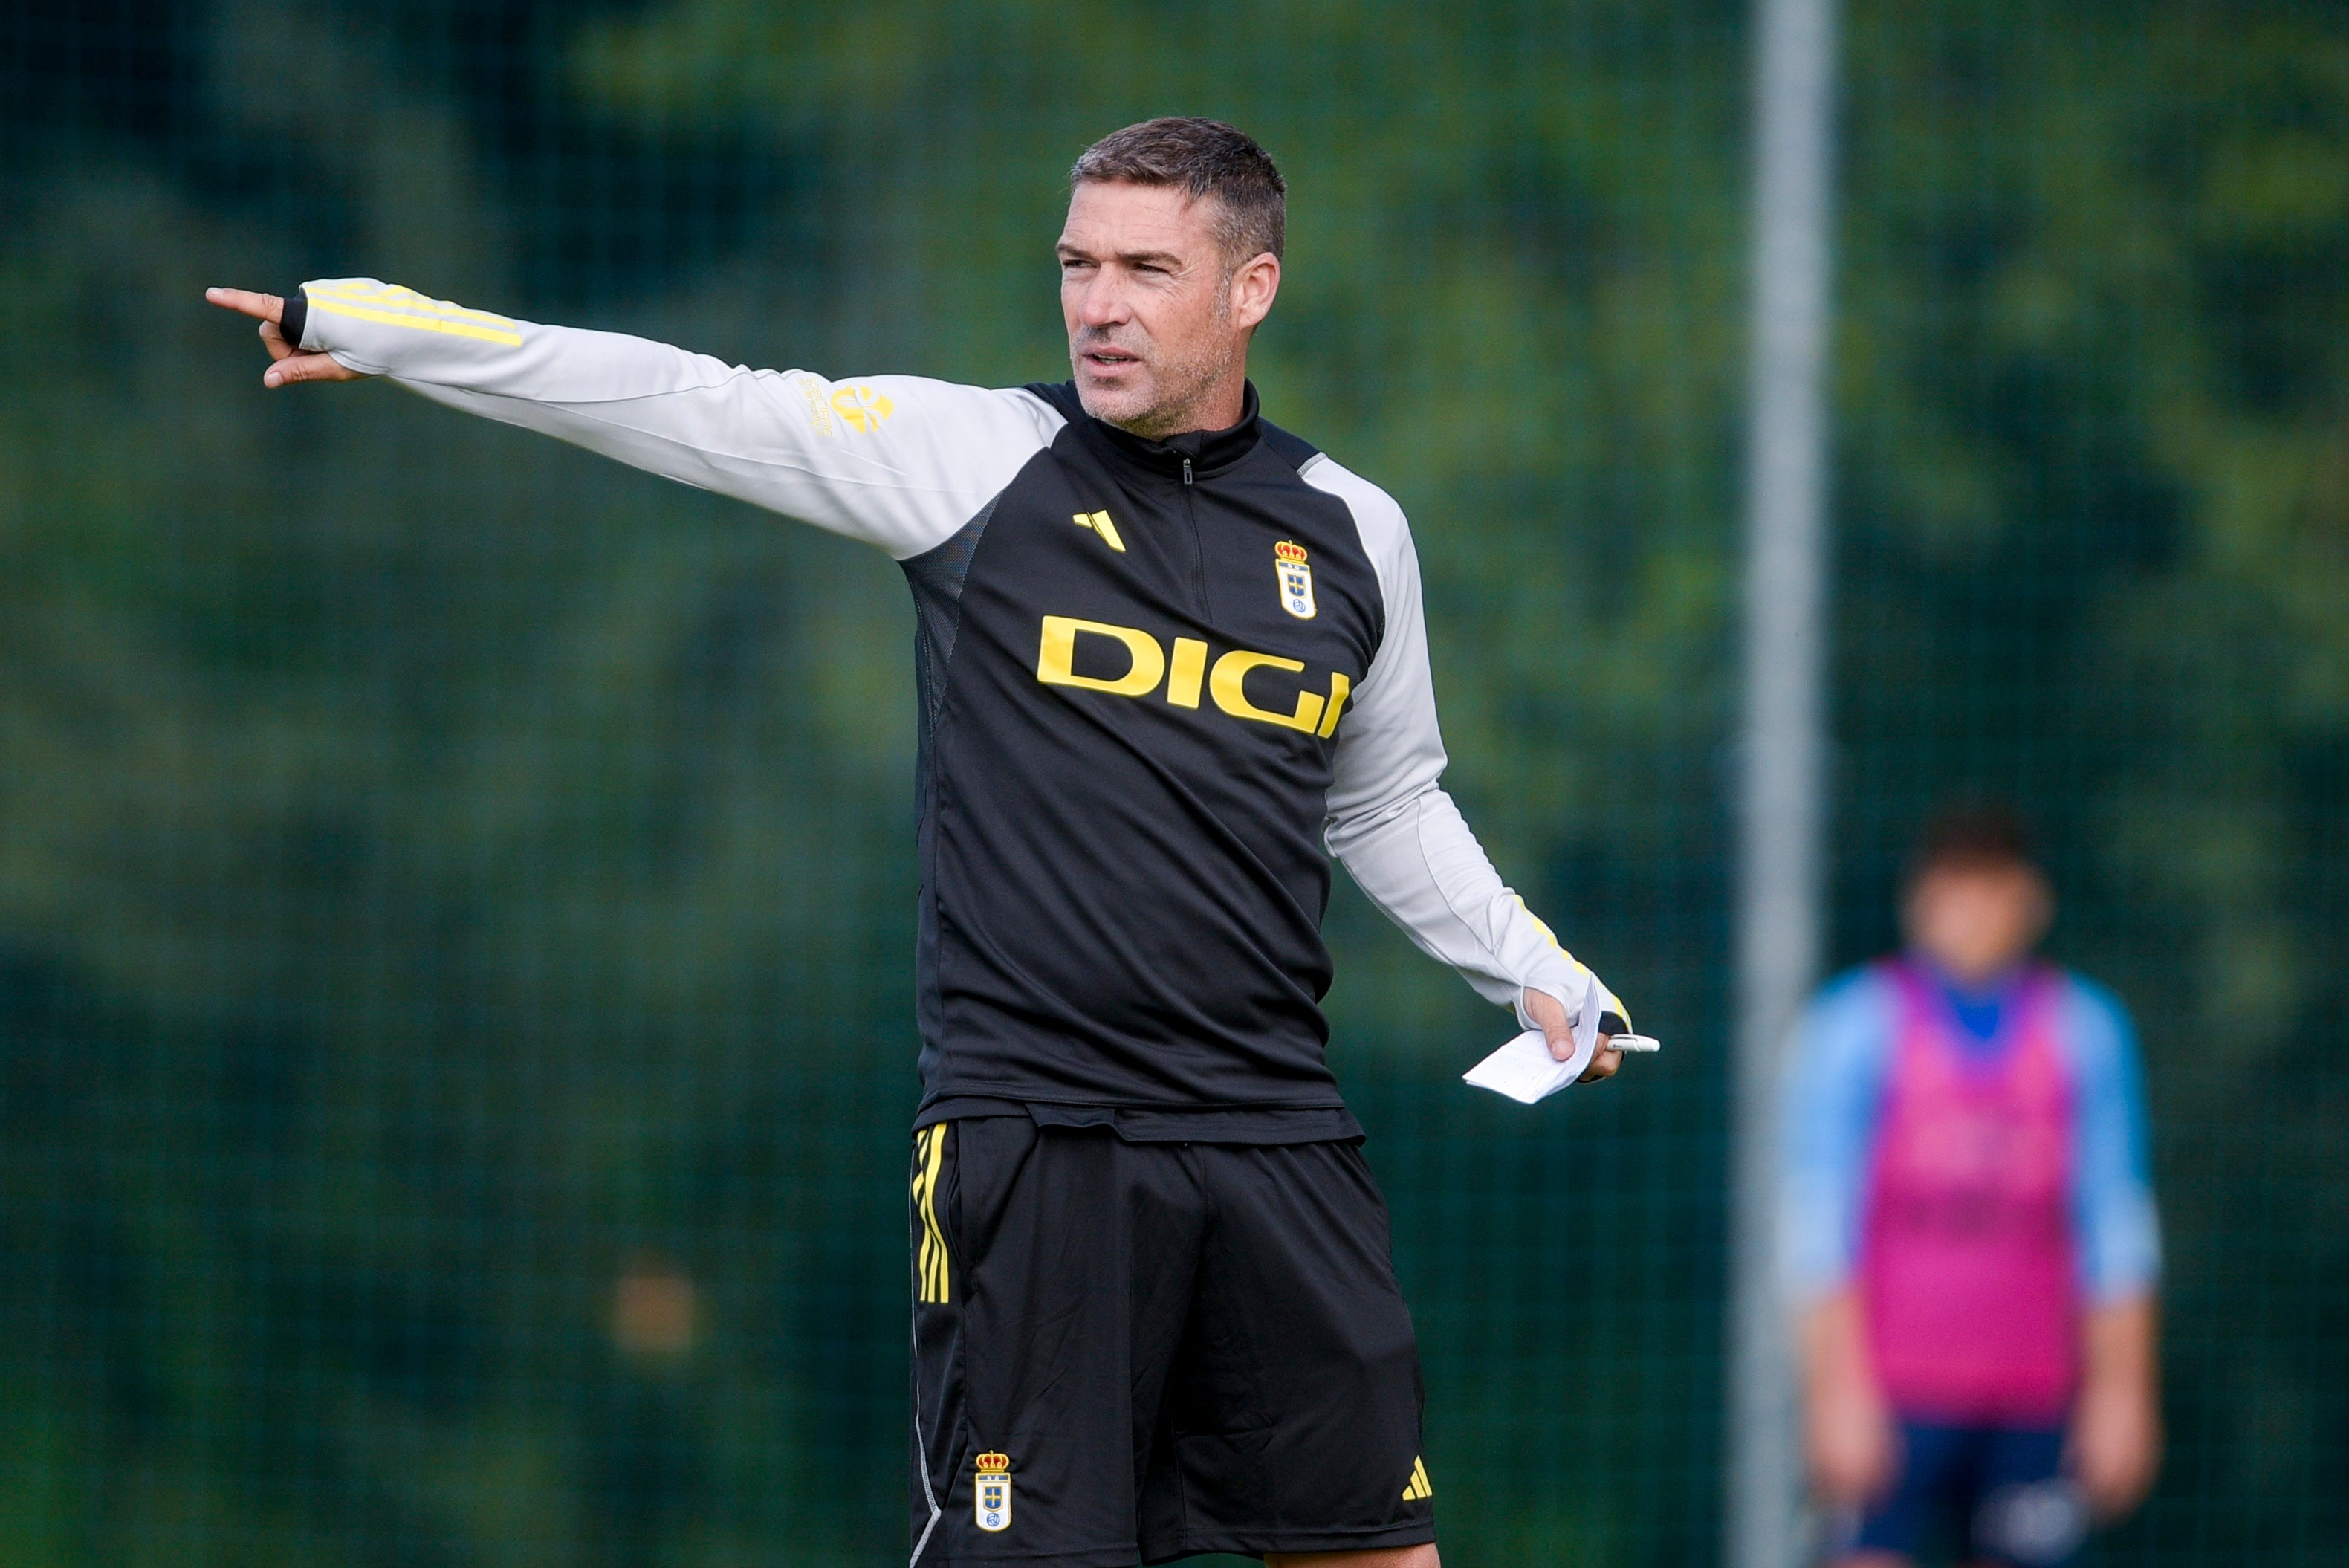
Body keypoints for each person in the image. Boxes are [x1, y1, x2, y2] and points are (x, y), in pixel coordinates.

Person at [207, 117, 1632, 1568]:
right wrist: (396, 334)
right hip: (1037, 1143)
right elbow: (690, 399)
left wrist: (1524, 966)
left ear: (1249, 288)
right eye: (1077, 264)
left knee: (1371, 1551)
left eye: (1147, 267)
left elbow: (1383, 798)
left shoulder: (1350, 531)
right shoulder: (972, 460)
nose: (1098, 303)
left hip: (1277, 1138)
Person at [1780, 806, 2161, 1567]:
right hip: (1892, 1394)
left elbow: (2114, 1227)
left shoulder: (2083, 1033)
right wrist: (1833, 1391)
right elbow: (1818, 1229)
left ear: (2031, 900)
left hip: (2029, 1394)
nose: (1971, 910)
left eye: (1991, 886)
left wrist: (2121, 1392)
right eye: (1953, 886)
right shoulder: (1853, 1029)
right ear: (1917, 900)